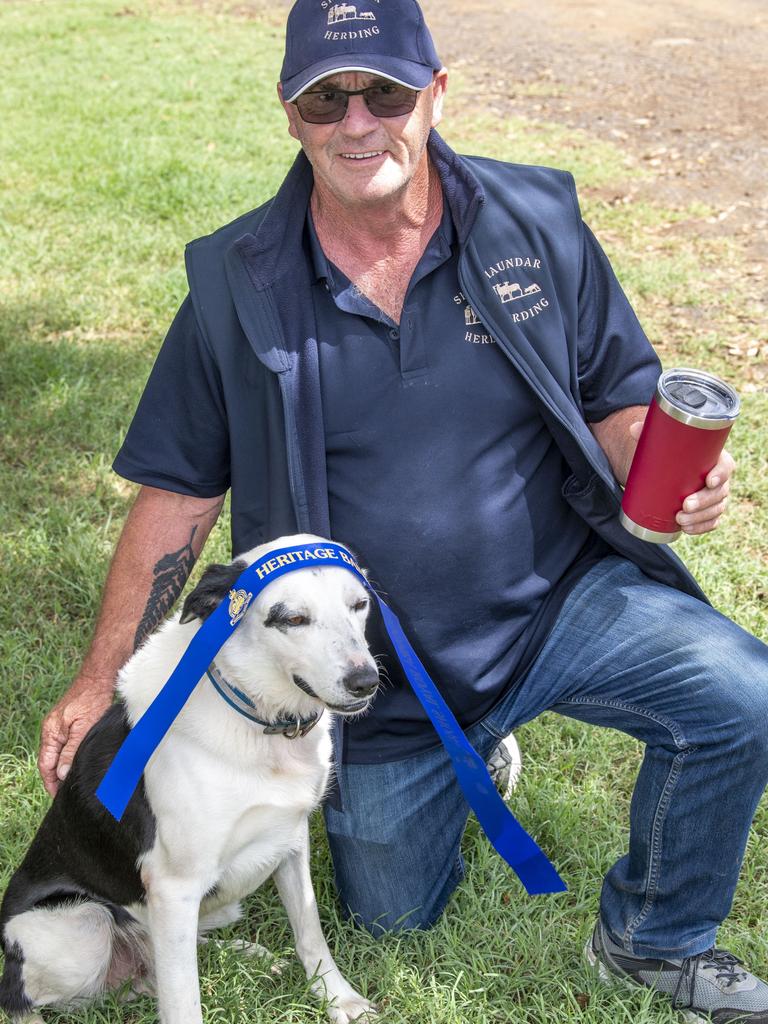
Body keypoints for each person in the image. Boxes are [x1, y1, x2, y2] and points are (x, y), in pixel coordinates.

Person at [39, 0, 768, 1019]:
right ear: (289, 113)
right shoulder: (234, 284)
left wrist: (668, 471)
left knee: (739, 691)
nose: (356, 122)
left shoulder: (535, 224)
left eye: (384, 90)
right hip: (376, 678)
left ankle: (655, 935)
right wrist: (97, 680)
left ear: (435, 93)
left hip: (558, 601)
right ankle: (471, 738)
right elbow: (179, 494)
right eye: (323, 97)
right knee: (393, 919)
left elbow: (613, 394)